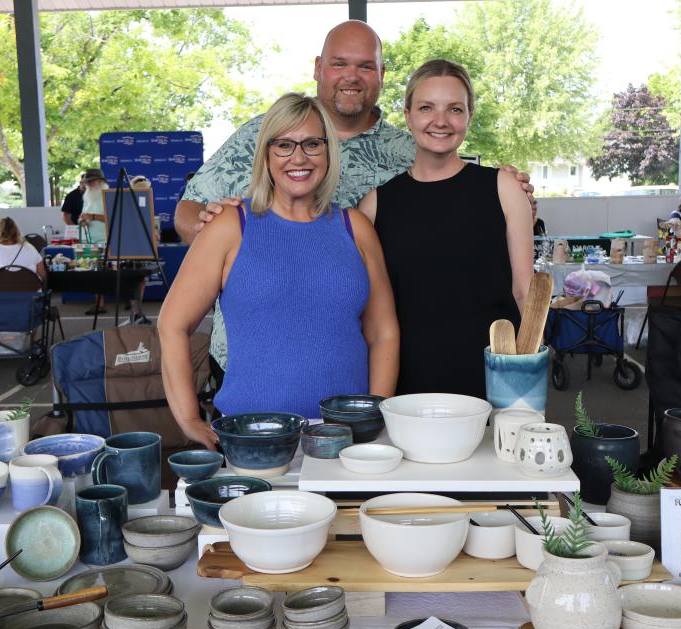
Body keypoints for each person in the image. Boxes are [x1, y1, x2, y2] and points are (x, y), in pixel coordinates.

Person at [174, 20, 533, 382]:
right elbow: (188, 210)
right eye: (339, 63)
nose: (352, 76)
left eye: (365, 66)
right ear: (318, 68)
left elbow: (457, 201)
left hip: (349, 359)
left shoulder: (408, 150)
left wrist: (513, 197)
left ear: (381, 75)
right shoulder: (262, 133)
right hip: (249, 357)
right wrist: (222, 241)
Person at [158, 93, 399, 450]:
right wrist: (190, 418)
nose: (298, 157)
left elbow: (383, 332)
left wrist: (371, 417)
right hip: (254, 437)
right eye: (284, 144)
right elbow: (172, 324)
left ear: (329, 151)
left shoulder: (356, 227)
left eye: (312, 144)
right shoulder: (229, 225)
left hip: (343, 439)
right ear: (266, 153)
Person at [358, 60, 534, 398]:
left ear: (469, 116)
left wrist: (530, 381)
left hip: (494, 377)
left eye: (455, 109)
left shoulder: (503, 189)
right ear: (408, 115)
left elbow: (525, 292)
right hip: (407, 381)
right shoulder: (376, 205)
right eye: (427, 108)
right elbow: (371, 314)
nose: (441, 121)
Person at [0, 217, 46, 291]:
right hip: (31, 298)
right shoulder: (29, 247)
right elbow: (43, 274)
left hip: (1, 299)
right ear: (16, 230)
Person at [79, 168, 109, 315]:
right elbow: (85, 215)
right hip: (90, 239)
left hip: (106, 240)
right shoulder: (87, 197)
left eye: (91, 181)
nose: (89, 184)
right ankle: (99, 304)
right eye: (87, 182)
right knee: (93, 272)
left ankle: (129, 301)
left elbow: (112, 219)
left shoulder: (108, 196)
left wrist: (92, 217)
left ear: (100, 181)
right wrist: (83, 220)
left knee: (115, 273)